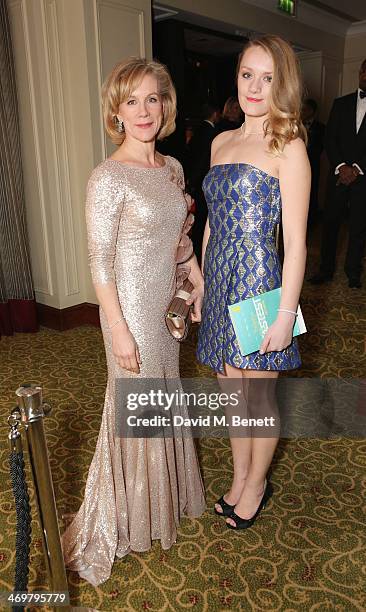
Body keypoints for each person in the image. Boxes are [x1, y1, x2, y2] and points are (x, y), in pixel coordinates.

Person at [61, 58, 205, 585]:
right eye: (131, 101)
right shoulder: (107, 178)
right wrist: (117, 326)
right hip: (128, 312)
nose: (144, 111)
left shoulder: (171, 169)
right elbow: (100, 262)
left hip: (165, 306)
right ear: (116, 112)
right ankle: (124, 517)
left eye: (153, 99)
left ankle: (157, 506)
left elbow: (177, 236)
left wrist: (191, 267)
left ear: (165, 106)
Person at [197, 35, 310, 529]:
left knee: (258, 400)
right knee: (231, 395)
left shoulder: (290, 146)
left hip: (260, 287)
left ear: (281, 83)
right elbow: (210, 223)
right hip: (220, 282)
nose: (255, 87)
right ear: (236, 78)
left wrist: (285, 314)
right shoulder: (221, 141)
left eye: (267, 77)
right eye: (247, 75)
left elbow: (298, 244)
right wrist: (199, 284)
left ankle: (258, 484)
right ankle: (241, 475)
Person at [309, 59, 366, 288]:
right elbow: (329, 138)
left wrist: (357, 169)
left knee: (359, 226)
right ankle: (326, 269)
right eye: (364, 70)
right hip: (338, 175)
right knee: (330, 223)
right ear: (360, 72)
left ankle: (353, 272)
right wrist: (342, 166)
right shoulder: (341, 103)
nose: (365, 74)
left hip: (363, 178)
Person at [187, 103, 221, 264]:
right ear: (215, 114)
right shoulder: (211, 133)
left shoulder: (199, 130)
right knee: (202, 221)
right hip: (204, 183)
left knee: (200, 221)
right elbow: (202, 160)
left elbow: (190, 154)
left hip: (196, 181)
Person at [301, 98, 324, 225]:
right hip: (295, 167)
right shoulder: (295, 125)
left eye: (305, 109)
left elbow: (320, 148)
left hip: (313, 164)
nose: (302, 112)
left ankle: (311, 221)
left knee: (312, 192)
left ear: (312, 111)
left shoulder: (320, 127)